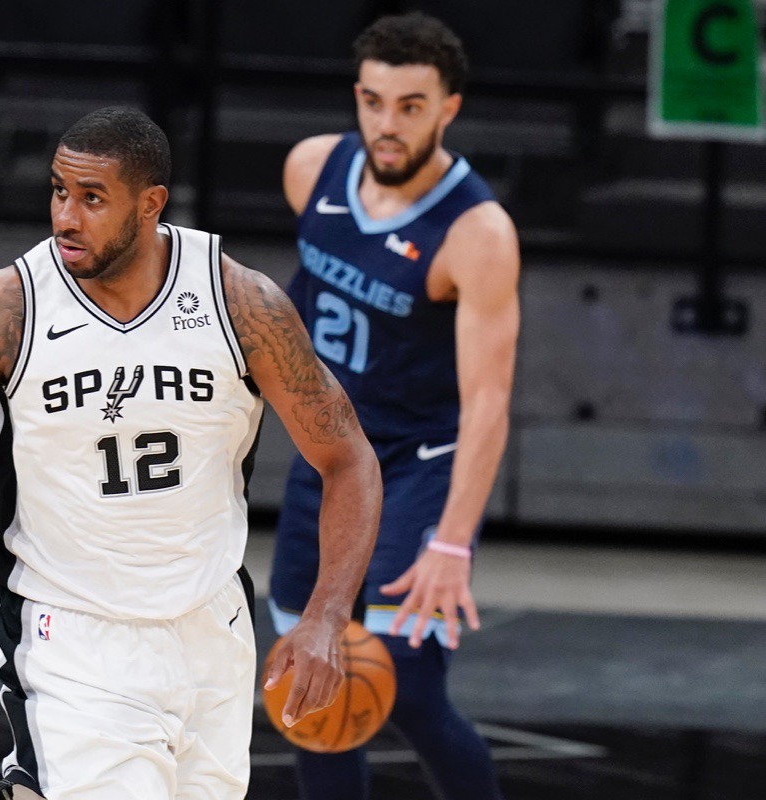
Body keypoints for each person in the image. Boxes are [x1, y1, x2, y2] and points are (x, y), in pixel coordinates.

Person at [0, 106, 383, 800]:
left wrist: (325, 615)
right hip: (71, 636)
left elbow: (348, 459)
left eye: (91, 198)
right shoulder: (5, 308)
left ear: (150, 205)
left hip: (211, 631)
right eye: (57, 190)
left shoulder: (240, 303)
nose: (65, 217)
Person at [268, 12, 520, 800]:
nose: (387, 123)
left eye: (410, 105)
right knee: (306, 681)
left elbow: (488, 400)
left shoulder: (476, 232)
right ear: (357, 97)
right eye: (374, 102)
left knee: (404, 684)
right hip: (333, 456)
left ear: (447, 108)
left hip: (420, 466)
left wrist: (450, 542)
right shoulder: (310, 168)